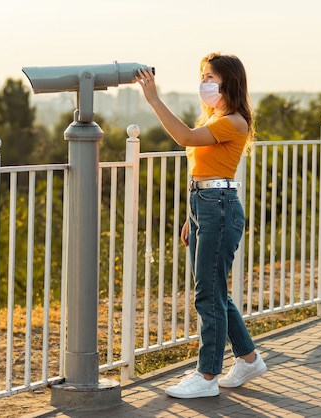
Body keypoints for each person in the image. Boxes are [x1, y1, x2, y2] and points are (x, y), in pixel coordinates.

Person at [136, 52, 267, 399]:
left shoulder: (235, 121)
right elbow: (205, 172)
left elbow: (184, 137)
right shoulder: (217, 118)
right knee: (214, 292)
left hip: (218, 209)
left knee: (208, 295)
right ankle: (249, 359)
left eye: (211, 78)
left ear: (229, 82)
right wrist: (190, 217)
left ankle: (207, 375)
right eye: (203, 76)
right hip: (205, 206)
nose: (205, 84)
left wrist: (154, 100)